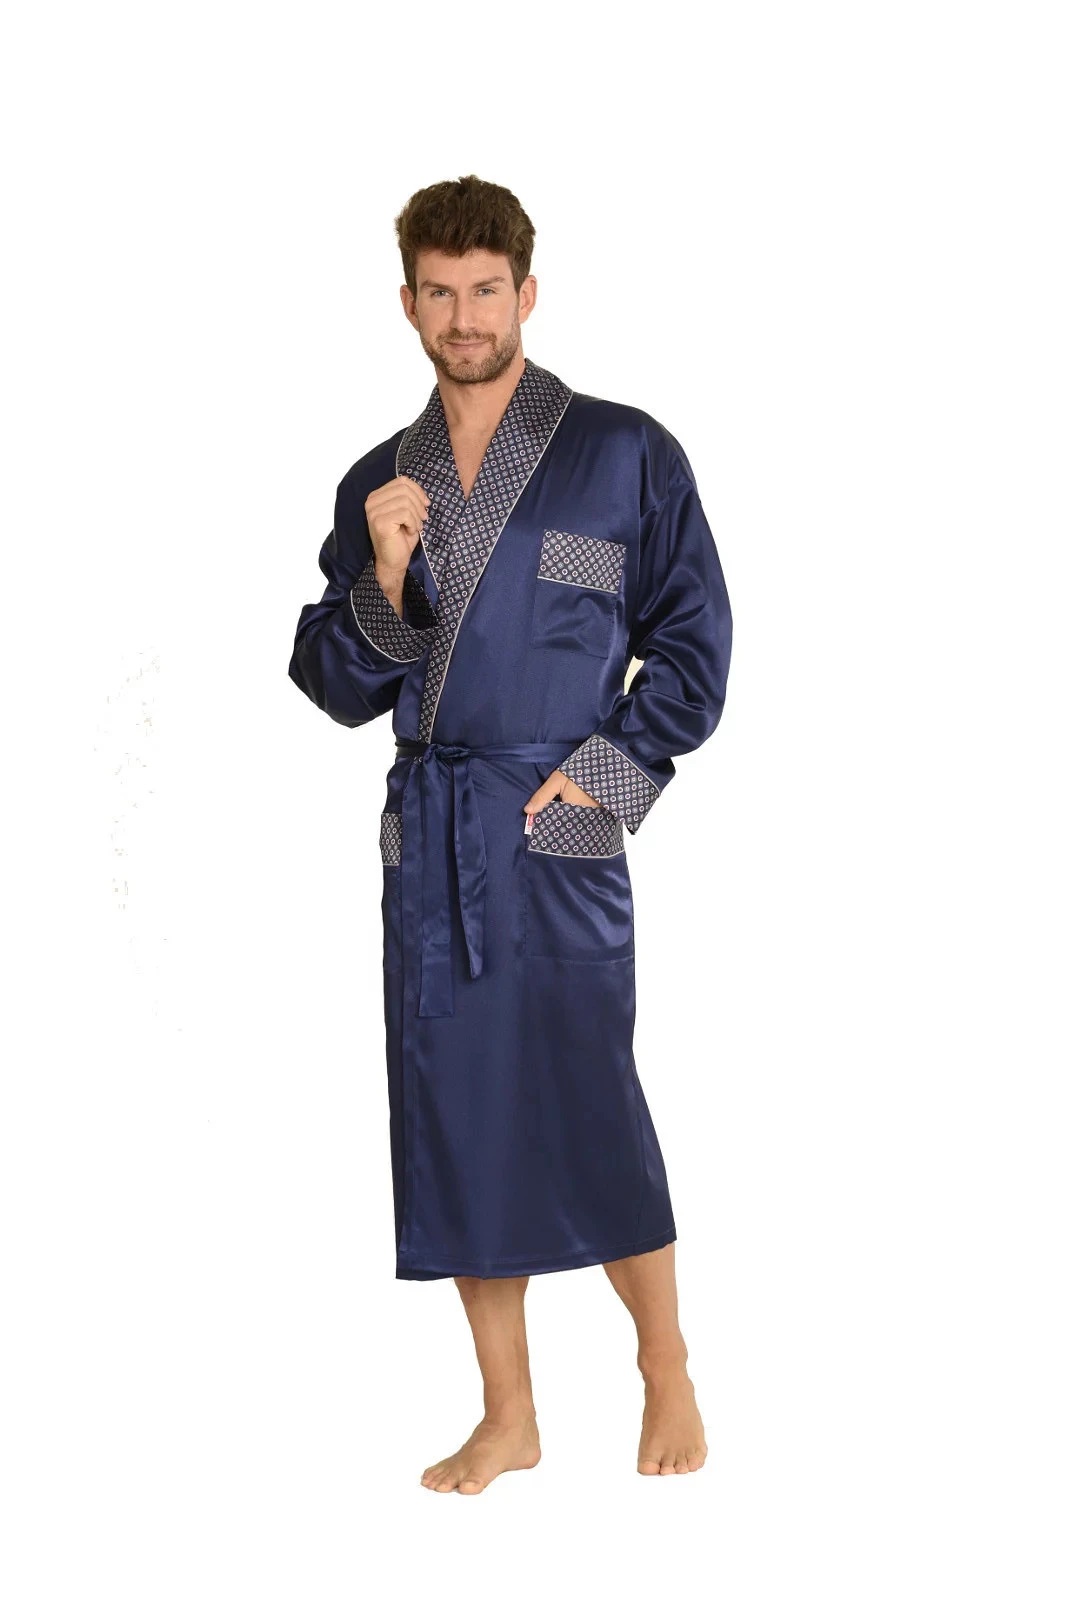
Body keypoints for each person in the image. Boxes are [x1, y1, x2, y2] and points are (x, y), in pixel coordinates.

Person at [288, 174, 733, 1492]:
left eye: (487, 290)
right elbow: (331, 684)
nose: (465, 316)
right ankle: (509, 1414)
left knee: (594, 1094)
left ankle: (665, 1364)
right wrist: (383, 578)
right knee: (459, 1112)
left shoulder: (624, 453)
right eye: (441, 292)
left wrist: (610, 774)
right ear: (408, 302)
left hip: (560, 826)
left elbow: (695, 644)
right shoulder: (379, 481)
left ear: (527, 294)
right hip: (435, 842)